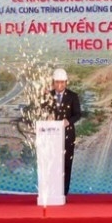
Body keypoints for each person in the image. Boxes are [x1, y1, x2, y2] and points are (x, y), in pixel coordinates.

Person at [45, 68, 81, 196]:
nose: (59, 85)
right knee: (52, 164)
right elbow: (41, 112)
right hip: (50, 136)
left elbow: (78, 114)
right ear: (53, 82)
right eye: (57, 82)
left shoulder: (73, 96)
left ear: (66, 82)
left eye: (62, 82)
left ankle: (63, 193)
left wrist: (68, 121)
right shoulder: (47, 95)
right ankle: (52, 192)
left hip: (67, 136)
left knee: (66, 164)